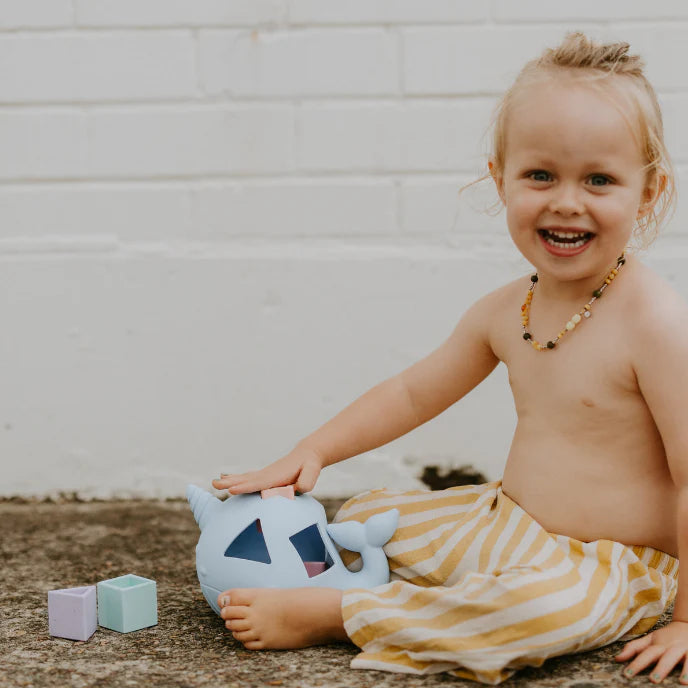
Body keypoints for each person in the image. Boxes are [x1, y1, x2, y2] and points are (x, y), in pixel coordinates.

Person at [211, 32, 688, 685]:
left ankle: (346, 612)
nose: (566, 201)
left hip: (613, 565)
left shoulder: (655, 323)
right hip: (507, 523)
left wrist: (687, 619)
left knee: (533, 612)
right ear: (500, 178)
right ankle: (414, 584)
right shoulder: (507, 308)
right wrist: (313, 451)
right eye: (540, 175)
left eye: (599, 180)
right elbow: (413, 393)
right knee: (366, 517)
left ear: (649, 191)